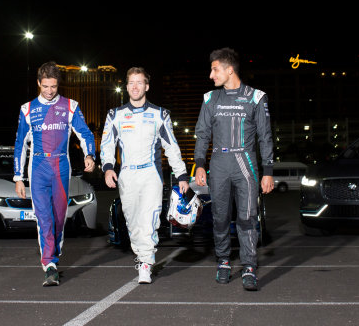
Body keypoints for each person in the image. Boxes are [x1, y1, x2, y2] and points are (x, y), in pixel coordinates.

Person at [194, 47, 274, 291]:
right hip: (218, 164)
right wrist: (199, 164)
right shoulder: (210, 99)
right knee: (219, 217)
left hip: (245, 164)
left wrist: (268, 170)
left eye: (215, 69)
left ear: (230, 70)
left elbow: (265, 136)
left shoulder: (256, 97)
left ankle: (249, 266)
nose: (211, 75)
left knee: (247, 217)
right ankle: (224, 261)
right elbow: (202, 134)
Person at [101, 67, 189, 284]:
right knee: (132, 221)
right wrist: (108, 167)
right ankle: (141, 255)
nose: (135, 86)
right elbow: (107, 145)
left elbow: (171, 146)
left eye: (139, 82)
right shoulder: (115, 115)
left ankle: (146, 262)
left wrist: (182, 175)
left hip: (151, 174)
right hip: (127, 175)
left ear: (147, 86)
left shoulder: (160, 114)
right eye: (131, 82)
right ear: (126, 86)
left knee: (149, 220)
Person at [13, 61, 96, 287]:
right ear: (38, 83)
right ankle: (49, 264)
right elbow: (20, 144)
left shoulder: (70, 106)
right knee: (44, 218)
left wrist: (90, 156)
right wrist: (18, 177)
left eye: (54, 87)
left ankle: (54, 253)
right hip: (38, 166)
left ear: (58, 84)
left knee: (59, 218)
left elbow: (85, 134)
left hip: (61, 166)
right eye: (45, 86)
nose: (49, 91)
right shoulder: (27, 109)